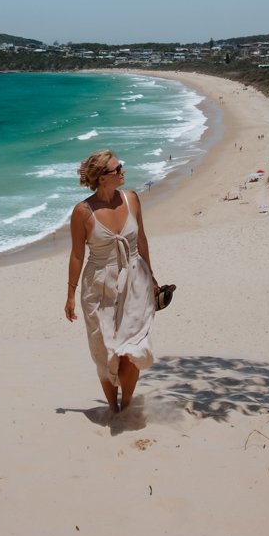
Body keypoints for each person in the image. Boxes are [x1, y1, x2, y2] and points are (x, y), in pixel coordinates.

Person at [65, 149, 158, 413]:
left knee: (133, 349)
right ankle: (113, 408)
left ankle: (126, 406)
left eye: (121, 167)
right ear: (102, 178)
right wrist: (70, 295)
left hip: (135, 282)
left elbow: (141, 241)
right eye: (117, 169)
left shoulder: (132, 199)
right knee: (106, 352)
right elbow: (76, 255)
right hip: (98, 285)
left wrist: (151, 276)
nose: (123, 172)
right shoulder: (82, 211)